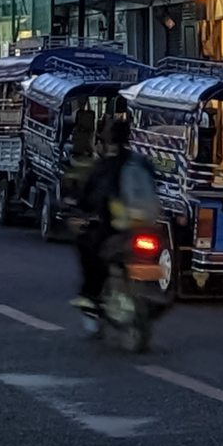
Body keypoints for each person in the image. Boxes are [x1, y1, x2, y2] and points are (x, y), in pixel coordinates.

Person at [70, 118, 160, 316]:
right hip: (147, 224)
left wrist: (81, 212)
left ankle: (91, 296)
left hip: (118, 227)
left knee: (87, 246)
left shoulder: (105, 167)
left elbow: (93, 197)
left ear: (106, 139)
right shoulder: (141, 162)